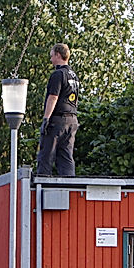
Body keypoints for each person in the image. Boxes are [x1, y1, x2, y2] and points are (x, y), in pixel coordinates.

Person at [35, 43, 80, 177]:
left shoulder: (58, 74)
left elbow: (53, 97)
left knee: (46, 156)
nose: (51, 59)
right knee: (66, 157)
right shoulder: (74, 76)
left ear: (58, 55)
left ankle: (41, 188)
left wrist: (46, 119)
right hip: (72, 120)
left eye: (52, 56)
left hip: (57, 120)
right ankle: (69, 188)